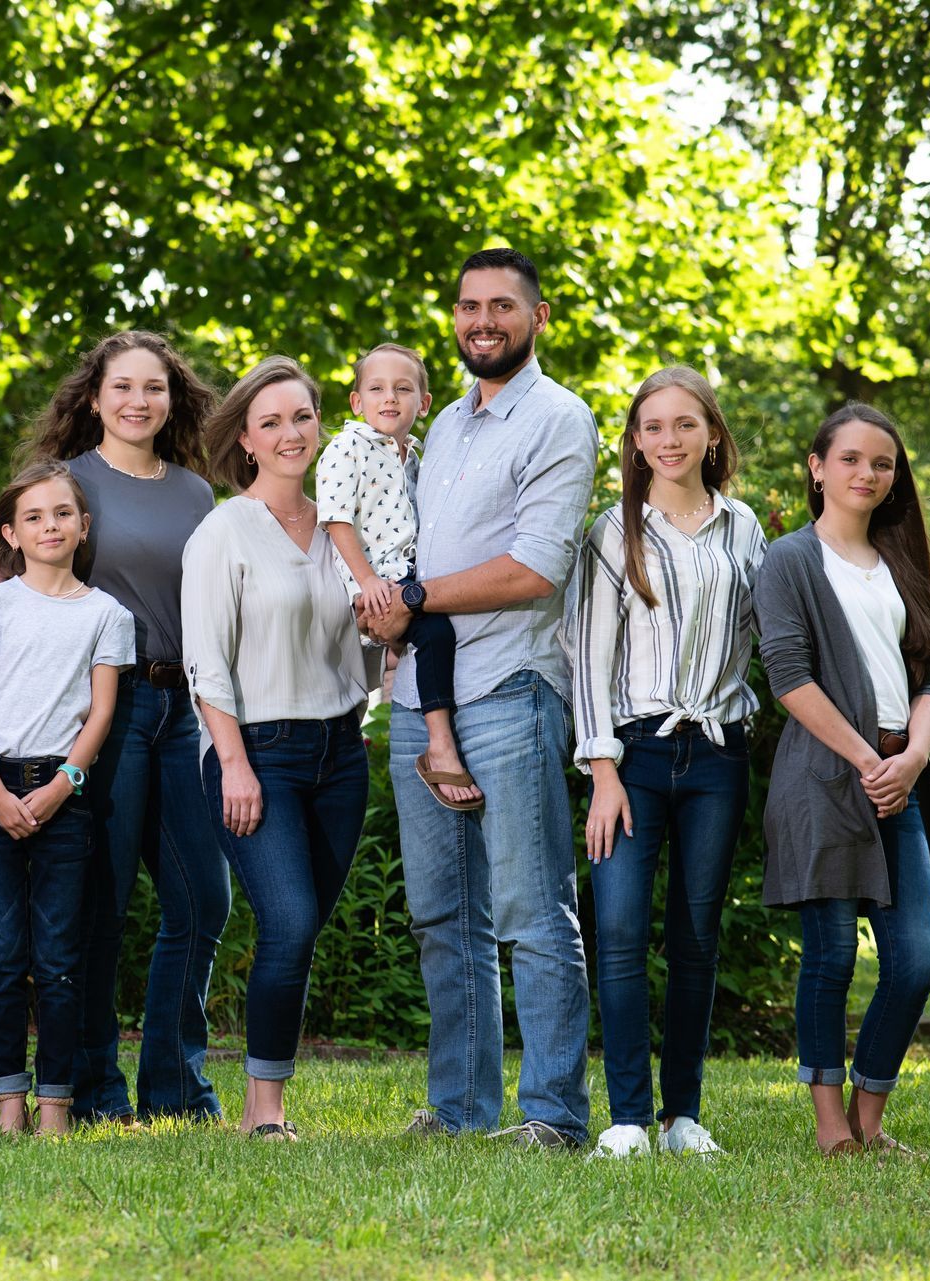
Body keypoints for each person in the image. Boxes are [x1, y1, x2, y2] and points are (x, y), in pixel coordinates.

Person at [0, 331, 228, 1124]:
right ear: (95, 397)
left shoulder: (195, 495)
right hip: (106, 712)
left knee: (203, 899)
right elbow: (2, 566)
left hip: (185, 710)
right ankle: (96, 1088)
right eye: (122, 387)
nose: (139, 401)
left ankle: (174, 1083)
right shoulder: (75, 483)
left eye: (155, 388)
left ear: (173, 398)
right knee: (96, 909)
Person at [362, 247, 598, 1150]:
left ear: (539, 318)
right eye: (468, 306)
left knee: (532, 913)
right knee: (441, 916)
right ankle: (461, 1108)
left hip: (509, 689)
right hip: (426, 696)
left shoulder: (559, 419)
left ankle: (553, 1115)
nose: (482, 321)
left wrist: (412, 598)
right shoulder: (447, 425)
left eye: (503, 305)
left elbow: (536, 570)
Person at [567, 367, 765, 1160]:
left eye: (686, 425)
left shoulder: (744, 529)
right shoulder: (615, 531)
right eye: (653, 427)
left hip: (718, 755)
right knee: (616, 929)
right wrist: (603, 770)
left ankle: (683, 1115)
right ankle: (626, 1118)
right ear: (635, 440)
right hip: (633, 756)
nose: (669, 440)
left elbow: (763, 638)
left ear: (712, 434)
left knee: (695, 936)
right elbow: (587, 656)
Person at [182, 356, 371, 1140]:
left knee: (303, 929)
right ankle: (266, 1112)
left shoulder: (341, 528)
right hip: (255, 750)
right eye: (272, 422)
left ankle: (268, 1095)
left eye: (302, 416)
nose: (291, 433)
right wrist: (233, 763)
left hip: (340, 752)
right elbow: (206, 660)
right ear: (248, 441)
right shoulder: (224, 530)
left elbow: (365, 647)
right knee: (289, 923)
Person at [755, 401, 930, 1157]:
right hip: (825, 780)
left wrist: (911, 759)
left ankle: (872, 1113)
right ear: (816, 467)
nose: (867, 473)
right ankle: (832, 1125)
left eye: (882, 463)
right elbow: (789, 676)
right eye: (850, 459)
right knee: (831, 955)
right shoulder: (791, 560)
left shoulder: (901, 560)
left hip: (901, 777)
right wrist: (869, 760)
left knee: (914, 962)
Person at [0, 462, 136, 1135]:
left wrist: (64, 786)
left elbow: (99, 715)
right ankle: (9, 1099)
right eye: (33, 517)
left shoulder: (106, 615)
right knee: (5, 953)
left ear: (83, 525)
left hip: (66, 798)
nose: (50, 526)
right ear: (12, 532)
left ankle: (56, 1102)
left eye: (62, 514)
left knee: (58, 958)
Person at [317, 343, 480, 810]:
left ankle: (399, 675)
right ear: (357, 402)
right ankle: (439, 744)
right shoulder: (347, 446)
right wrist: (367, 581)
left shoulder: (417, 455)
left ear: (423, 404)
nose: (390, 397)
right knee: (434, 635)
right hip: (374, 578)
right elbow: (336, 519)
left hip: (409, 573)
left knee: (439, 630)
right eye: (377, 388)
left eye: (403, 389)